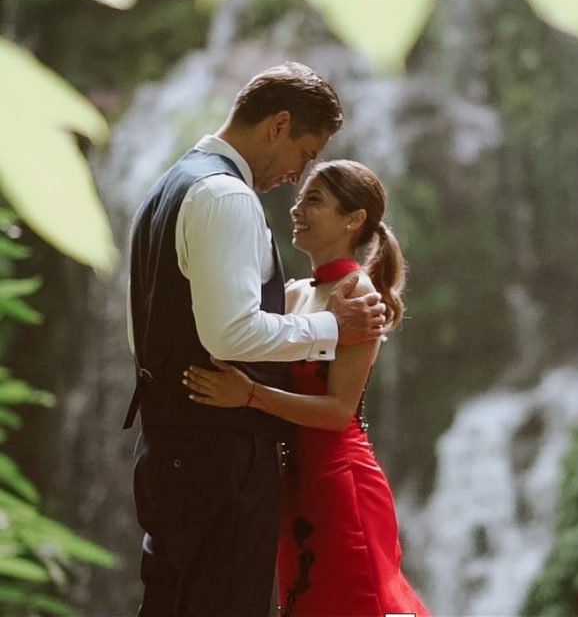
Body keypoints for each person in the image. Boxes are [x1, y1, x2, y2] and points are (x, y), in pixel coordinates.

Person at [125, 63, 387, 617]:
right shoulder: (226, 197)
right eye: (305, 153)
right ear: (278, 125)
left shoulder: (167, 188)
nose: (298, 175)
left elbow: (142, 329)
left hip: (164, 443)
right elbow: (230, 331)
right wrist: (332, 329)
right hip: (219, 453)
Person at [184, 159, 430, 617]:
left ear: (353, 219)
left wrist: (249, 395)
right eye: (300, 199)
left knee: (358, 601)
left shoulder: (361, 297)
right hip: (296, 481)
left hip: (340, 479)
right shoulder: (295, 293)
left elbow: (338, 411)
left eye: (314, 200)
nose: (298, 208)